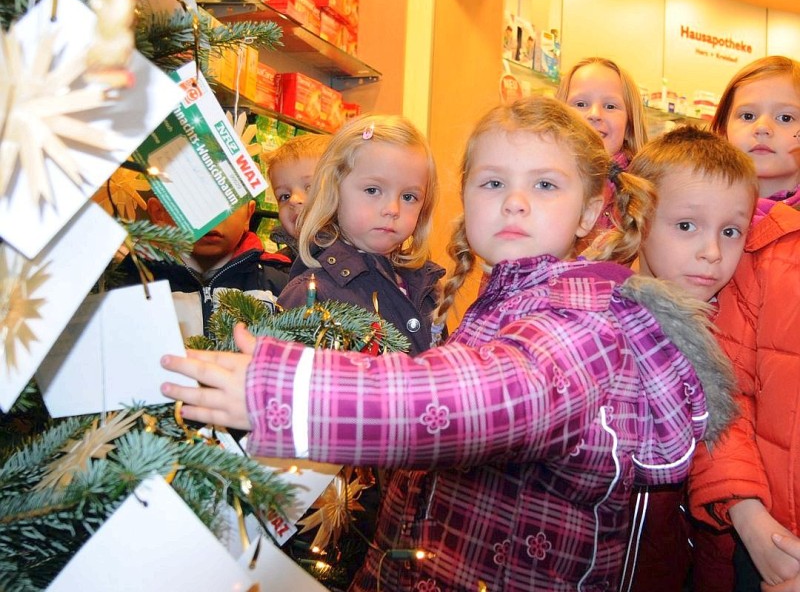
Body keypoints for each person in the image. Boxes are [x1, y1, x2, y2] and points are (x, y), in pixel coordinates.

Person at [160, 96, 736, 591]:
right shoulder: (497, 304)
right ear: (465, 199)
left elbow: (486, 400)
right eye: (493, 182)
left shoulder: (585, 322)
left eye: (544, 184)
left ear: (589, 211)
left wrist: (292, 391)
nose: (514, 201)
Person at [587, 126, 759, 592]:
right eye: (686, 226)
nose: (711, 253)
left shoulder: (723, 324)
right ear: (635, 218)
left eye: (730, 231)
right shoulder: (600, 325)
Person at [687, 55, 800, 591]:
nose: (764, 128)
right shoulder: (704, 243)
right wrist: (749, 517)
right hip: (747, 527)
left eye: (786, 117)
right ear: (721, 131)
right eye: (748, 114)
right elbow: (720, 395)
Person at [277, 114, 445, 356]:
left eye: (409, 197)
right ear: (334, 191)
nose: (392, 209)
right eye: (373, 190)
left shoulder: (427, 287)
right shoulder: (312, 293)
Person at [119, 197, 290, 339]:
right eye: (194, 200)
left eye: (227, 202)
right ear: (159, 213)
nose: (211, 217)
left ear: (248, 215)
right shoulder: (127, 281)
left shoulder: (282, 281)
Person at [556, 57, 649, 250]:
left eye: (610, 106)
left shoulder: (645, 194)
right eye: (581, 104)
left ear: (630, 125)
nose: (595, 114)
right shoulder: (537, 181)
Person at [262, 133, 331, 268]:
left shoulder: (367, 257)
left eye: (310, 187)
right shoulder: (279, 267)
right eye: (284, 196)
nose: (293, 200)